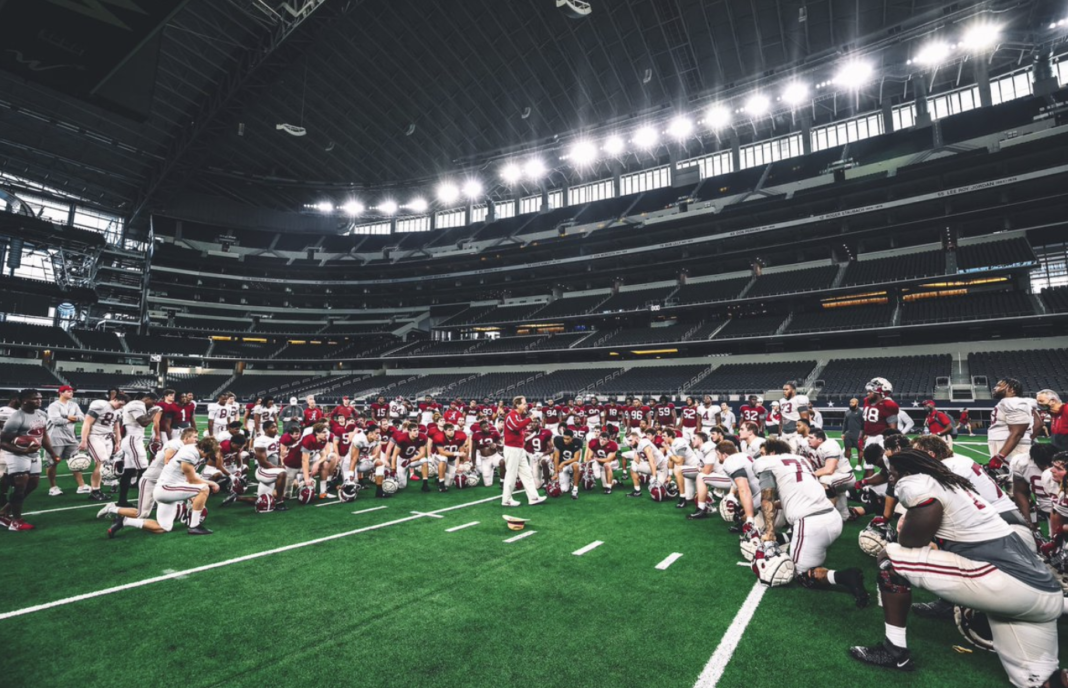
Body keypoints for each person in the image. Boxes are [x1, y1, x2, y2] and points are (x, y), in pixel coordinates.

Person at [848, 450, 1064, 688]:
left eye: (894, 474)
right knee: (1041, 682)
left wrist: (906, 527)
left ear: (908, 472)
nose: (890, 479)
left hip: (1009, 583)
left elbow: (913, 537)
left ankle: (894, 651)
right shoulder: (955, 486)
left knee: (892, 558)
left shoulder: (918, 482)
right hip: (1044, 593)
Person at [754, 439, 869, 606]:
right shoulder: (801, 460)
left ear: (772, 453)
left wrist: (769, 533)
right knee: (797, 533)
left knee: (799, 575)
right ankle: (786, 538)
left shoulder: (767, 462)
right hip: (832, 517)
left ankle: (844, 577)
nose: (760, 456)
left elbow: (767, 498)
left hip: (811, 525)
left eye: (763, 453)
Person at [96, 427, 199, 536]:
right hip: (151, 481)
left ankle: (180, 516)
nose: (197, 440)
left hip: (164, 483)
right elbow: (168, 459)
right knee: (142, 514)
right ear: (186, 438)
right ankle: (112, 508)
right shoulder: (176, 443)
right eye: (195, 437)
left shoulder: (187, 449)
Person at [0, 389, 61, 531]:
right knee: (20, 486)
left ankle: (4, 512)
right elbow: (3, 442)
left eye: (40, 398)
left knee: (33, 484)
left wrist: (52, 453)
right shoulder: (16, 418)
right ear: (24, 400)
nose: (39, 400)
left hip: (34, 454)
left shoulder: (42, 414)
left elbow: (43, 435)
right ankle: (16, 521)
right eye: (35, 399)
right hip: (17, 454)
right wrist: (23, 451)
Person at [79, 393, 129, 501]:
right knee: (100, 463)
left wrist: (117, 442)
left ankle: (97, 489)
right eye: (120, 404)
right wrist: (83, 440)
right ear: (115, 399)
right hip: (95, 436)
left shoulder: (119, 411)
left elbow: (116, 428)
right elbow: (87, 423)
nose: (120, 407)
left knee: (105, 463)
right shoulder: (100, 405)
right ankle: (95, 491)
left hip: (107, 438)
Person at [117, 391, 162, 508]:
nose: (152, 405)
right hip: (133, 440)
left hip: (132, 439)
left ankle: (122, 501)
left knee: (129, 472)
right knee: (145, 472)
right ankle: (148, 502)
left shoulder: (134, 405)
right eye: (153, 402)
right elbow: (144, 422)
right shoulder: (137, 404)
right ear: (147, 398)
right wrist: (154, 411)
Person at [987, 378, 1035, 478]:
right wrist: (1027, 438)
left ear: (1012, 389)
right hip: (1010, 444)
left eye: (999, 385)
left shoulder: (1012, 402)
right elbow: (1038, 423)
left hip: (1010, 446)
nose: (995, 388)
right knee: (1006, 480)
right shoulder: (1013, 402)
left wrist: (1000, 456)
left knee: (1013, 481)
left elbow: (1017, 432)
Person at [501, 395, 543, 507]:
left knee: (527, 473)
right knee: (511, 474)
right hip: (512, 449)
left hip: (519, 449)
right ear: (517, 404)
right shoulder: (511, 415)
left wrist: (525, 431)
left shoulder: (518, 415)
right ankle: (506, 500)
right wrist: (530, 419)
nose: (526, 405)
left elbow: (518, 429)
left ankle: (533, 497)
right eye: (524, 403)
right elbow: (516, 426)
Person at [46, 385, 87, 495]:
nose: (71, 393)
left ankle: (82, 486)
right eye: (68, 391)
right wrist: (72, 418)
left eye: (72, 391)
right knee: (53, 463)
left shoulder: (74, 404)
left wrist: (65, 417)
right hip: (55, 437)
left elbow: (82, 417)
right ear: (61, 393)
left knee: (75, 460)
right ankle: (53, 487)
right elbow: (56, 421)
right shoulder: (54, 405)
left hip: (70, 437)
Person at [841, 398, 863, 465]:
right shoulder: (847, 412)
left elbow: (864, 424)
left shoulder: (861, 412)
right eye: (850, 402)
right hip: (848, 434)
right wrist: (843, 433)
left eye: (852, 402)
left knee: (860, 450)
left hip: (858, 434)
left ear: (857, 403)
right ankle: (847, 465)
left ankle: (859, 465)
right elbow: (845, 423)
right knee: (847, 449)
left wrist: (864, 434)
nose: (851, 404)